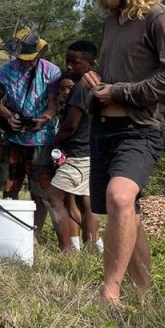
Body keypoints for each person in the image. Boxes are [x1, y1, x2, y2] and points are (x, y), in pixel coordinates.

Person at [75, 0, 165, 307]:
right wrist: (98, 83)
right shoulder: (112, 23)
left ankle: (109, 291)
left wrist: (118, 91)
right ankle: (144, 294)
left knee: (119, 198)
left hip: (140, 129)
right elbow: (116, 79)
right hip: (103, 130)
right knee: (128, 211)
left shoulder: (158, 17)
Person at [0, 27, 61, 233]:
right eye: (22, 58)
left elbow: (53, 104)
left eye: (30, 58)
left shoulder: (51, 72)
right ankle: (9, 231)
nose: (26, 62)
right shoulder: (5, 71)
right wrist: (8, 116)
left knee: (39, 191)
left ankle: (35, 234)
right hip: (12, 138)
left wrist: (44, 119)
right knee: (9, 186)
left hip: (41, 139)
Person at [47, 42, 100, 252]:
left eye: (75, 62)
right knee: (88, 204)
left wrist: (55, 141)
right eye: (67, 61)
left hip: (77, 153)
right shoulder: (97, 83)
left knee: (51, 197)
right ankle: (91, 247)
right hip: (91, 151)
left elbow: (70, 125)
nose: (69, 66)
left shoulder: (80, 88)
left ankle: (68, 249)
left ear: (90, 62)